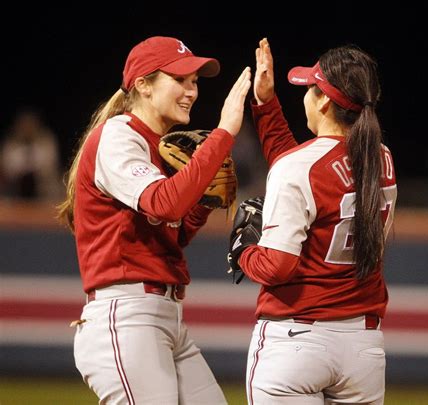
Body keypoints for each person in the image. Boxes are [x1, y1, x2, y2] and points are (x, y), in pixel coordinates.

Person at [57, 36, 251, 404]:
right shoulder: (118, 136)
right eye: (179, 80)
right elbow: (165, 205)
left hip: (166, 316)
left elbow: (171, 232)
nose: (191, 91)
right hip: (127, 315)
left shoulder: (161, 146)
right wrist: (224, 131)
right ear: (143, 85)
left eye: (194, 82)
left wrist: (204, 201)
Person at [234, 38, 397, 404]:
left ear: (324, 100)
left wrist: (245, 249)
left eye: (310, 88)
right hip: (363, 349)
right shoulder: (382, 159)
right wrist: (266, 103)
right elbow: (306, 167)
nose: (305, 96)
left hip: (296, 341)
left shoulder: (299, 167)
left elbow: (276, 266)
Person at [0, 108, 63, 200]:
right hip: (15, 188)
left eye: (30, 125)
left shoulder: (47, 141)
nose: (27, 129)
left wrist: (34, 168)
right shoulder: (11, 144)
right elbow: (6, 167)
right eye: (24, 125)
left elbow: (50, 166)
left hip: (42, 187)